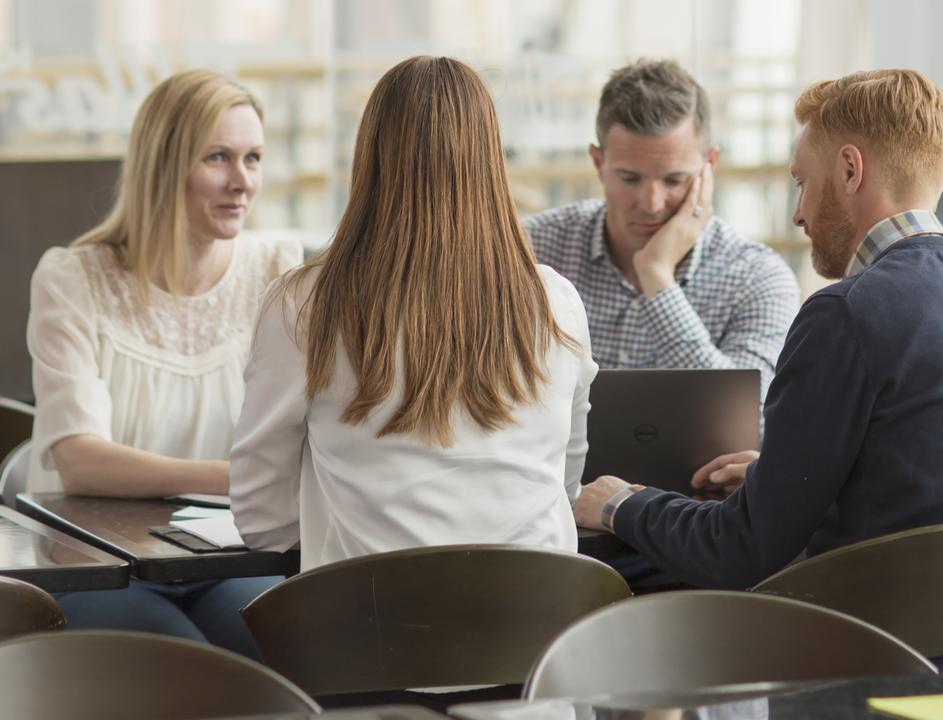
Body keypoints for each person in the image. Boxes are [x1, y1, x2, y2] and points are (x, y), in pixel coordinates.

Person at [573, 69, 943, 592]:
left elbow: (739, 550)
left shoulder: (847, 312)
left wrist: (621, 504)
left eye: (802, 183)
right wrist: (776, 477)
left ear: (850, 170)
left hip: (864, 649)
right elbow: (931, 484)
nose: (798, 214)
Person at [230, 56, 596, 573]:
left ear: (370, 157)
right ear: (490, 160)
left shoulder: (306, 303)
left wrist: (332, 535)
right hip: (538, 630)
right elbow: (564, 479)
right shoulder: (556, 302)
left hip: (370, 630)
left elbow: (260, 517)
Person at [26, 70, 298, 657]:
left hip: (229, 553)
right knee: (187, 674)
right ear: (163, 165)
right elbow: (78, 462)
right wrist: (235, 478)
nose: (241, 182)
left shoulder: (278, 270)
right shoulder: (73, 278)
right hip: (98, 564)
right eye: (218, 158)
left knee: (274, 659)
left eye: (253, 158)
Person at [525, 59, 799, 397]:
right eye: (630, 178)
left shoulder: (759, 277)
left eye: (674, 180)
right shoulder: (533, 247)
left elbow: (752, 422)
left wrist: (657, 276)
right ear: (599, 164)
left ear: (708, 166)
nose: (652, 203)